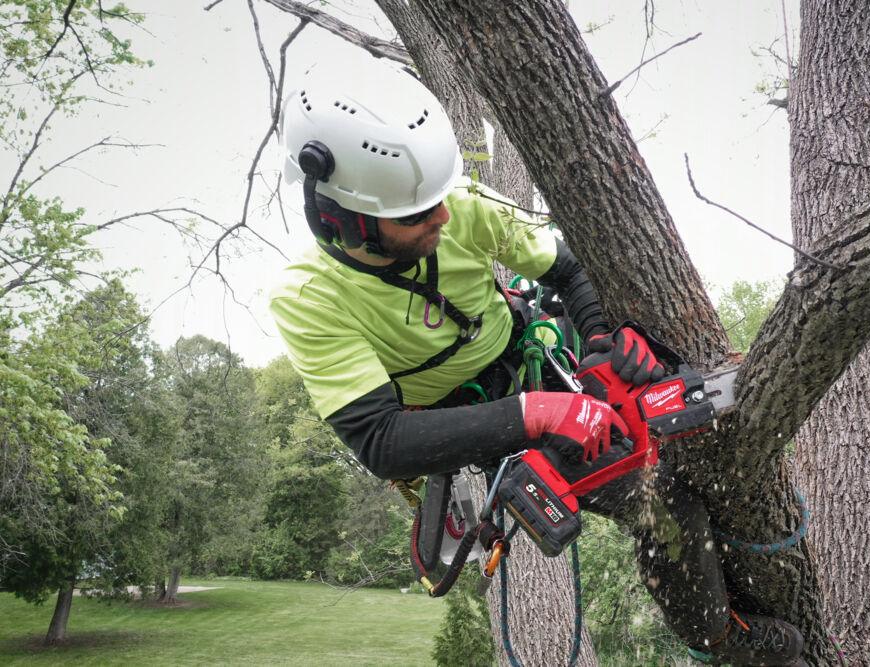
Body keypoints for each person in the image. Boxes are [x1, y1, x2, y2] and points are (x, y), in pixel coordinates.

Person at [270, 58, 804, 667]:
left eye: (440, 200)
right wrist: (535, 415)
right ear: (347, 220)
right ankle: (724, 642)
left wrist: (603, 339)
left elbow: (569, 268)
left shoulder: (461, 206)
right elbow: (380, 439)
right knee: (663, 502)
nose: (443, 218)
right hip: (462, 428)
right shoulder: (309, 298)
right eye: (417, 214)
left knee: (667, 441)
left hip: (530, 360)